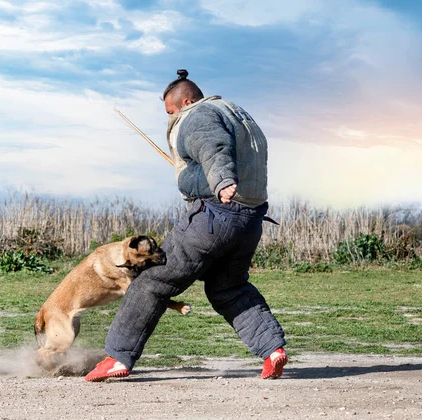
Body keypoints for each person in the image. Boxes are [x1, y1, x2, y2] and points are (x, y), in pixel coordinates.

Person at [85, 69, 287, 382]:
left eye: (170, 112)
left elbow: (213, 146)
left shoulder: (199, 115)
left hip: (214, 216)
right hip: (249, 221)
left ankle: (117, 357)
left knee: (152, 281)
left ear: (186, 101)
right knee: (228, 287)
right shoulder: (237, 115)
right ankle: (272, 349)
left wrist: (222, 181)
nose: (170, 118)